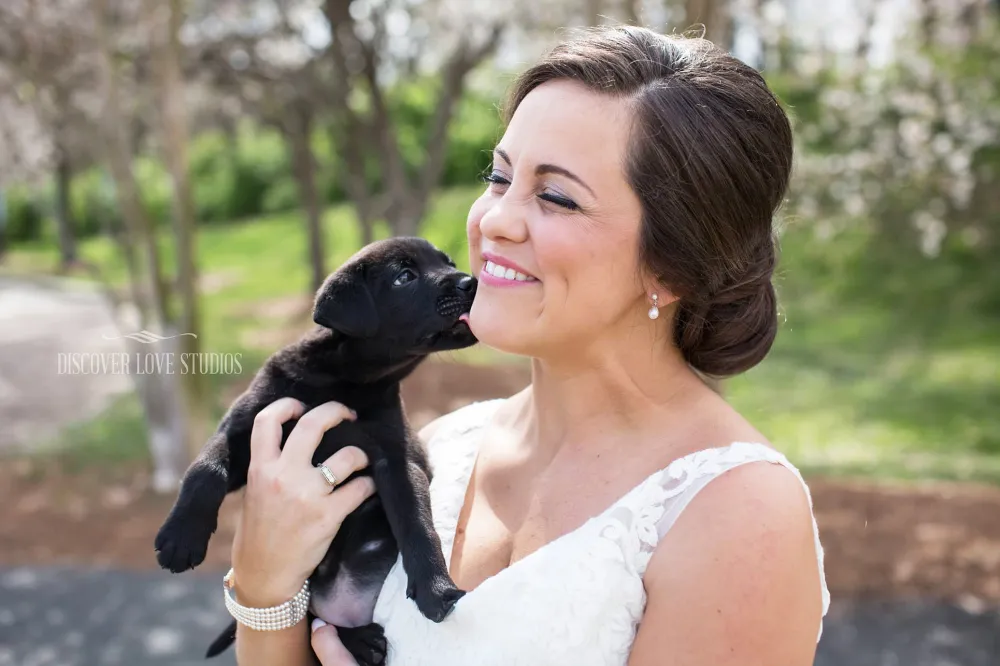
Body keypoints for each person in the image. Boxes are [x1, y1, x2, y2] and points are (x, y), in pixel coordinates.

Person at [229, 25, 829, 666]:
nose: (493, 221)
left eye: (555, 196)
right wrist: (265, 584)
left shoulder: (738, 516)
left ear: (673, 266)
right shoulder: (444, 446)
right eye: (498, 176)